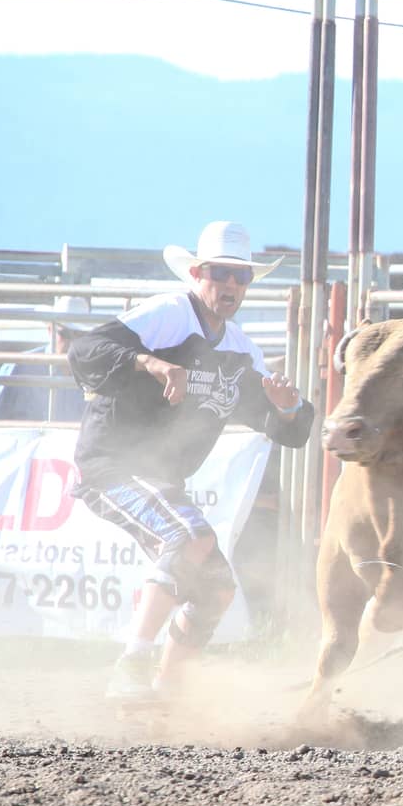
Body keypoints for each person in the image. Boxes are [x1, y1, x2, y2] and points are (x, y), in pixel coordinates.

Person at [68, 221, 315, 703]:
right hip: (113, 463)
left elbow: (290, 427)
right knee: (188, 537)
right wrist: (151, 363)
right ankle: (132, 665)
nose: (231, 286)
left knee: (218, 588)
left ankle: (164, 692)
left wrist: (286, 407)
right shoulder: (169, 314)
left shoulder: (240, 352)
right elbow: (87, 350)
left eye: (240, 278)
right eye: (221, 273)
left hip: (158, 476)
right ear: (197, 273)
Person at [0, 295, 91, 422]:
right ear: (50, 330)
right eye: (65, 334)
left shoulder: (95, 377)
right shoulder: (18, 368)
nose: (72, 341)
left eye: (80, 335)